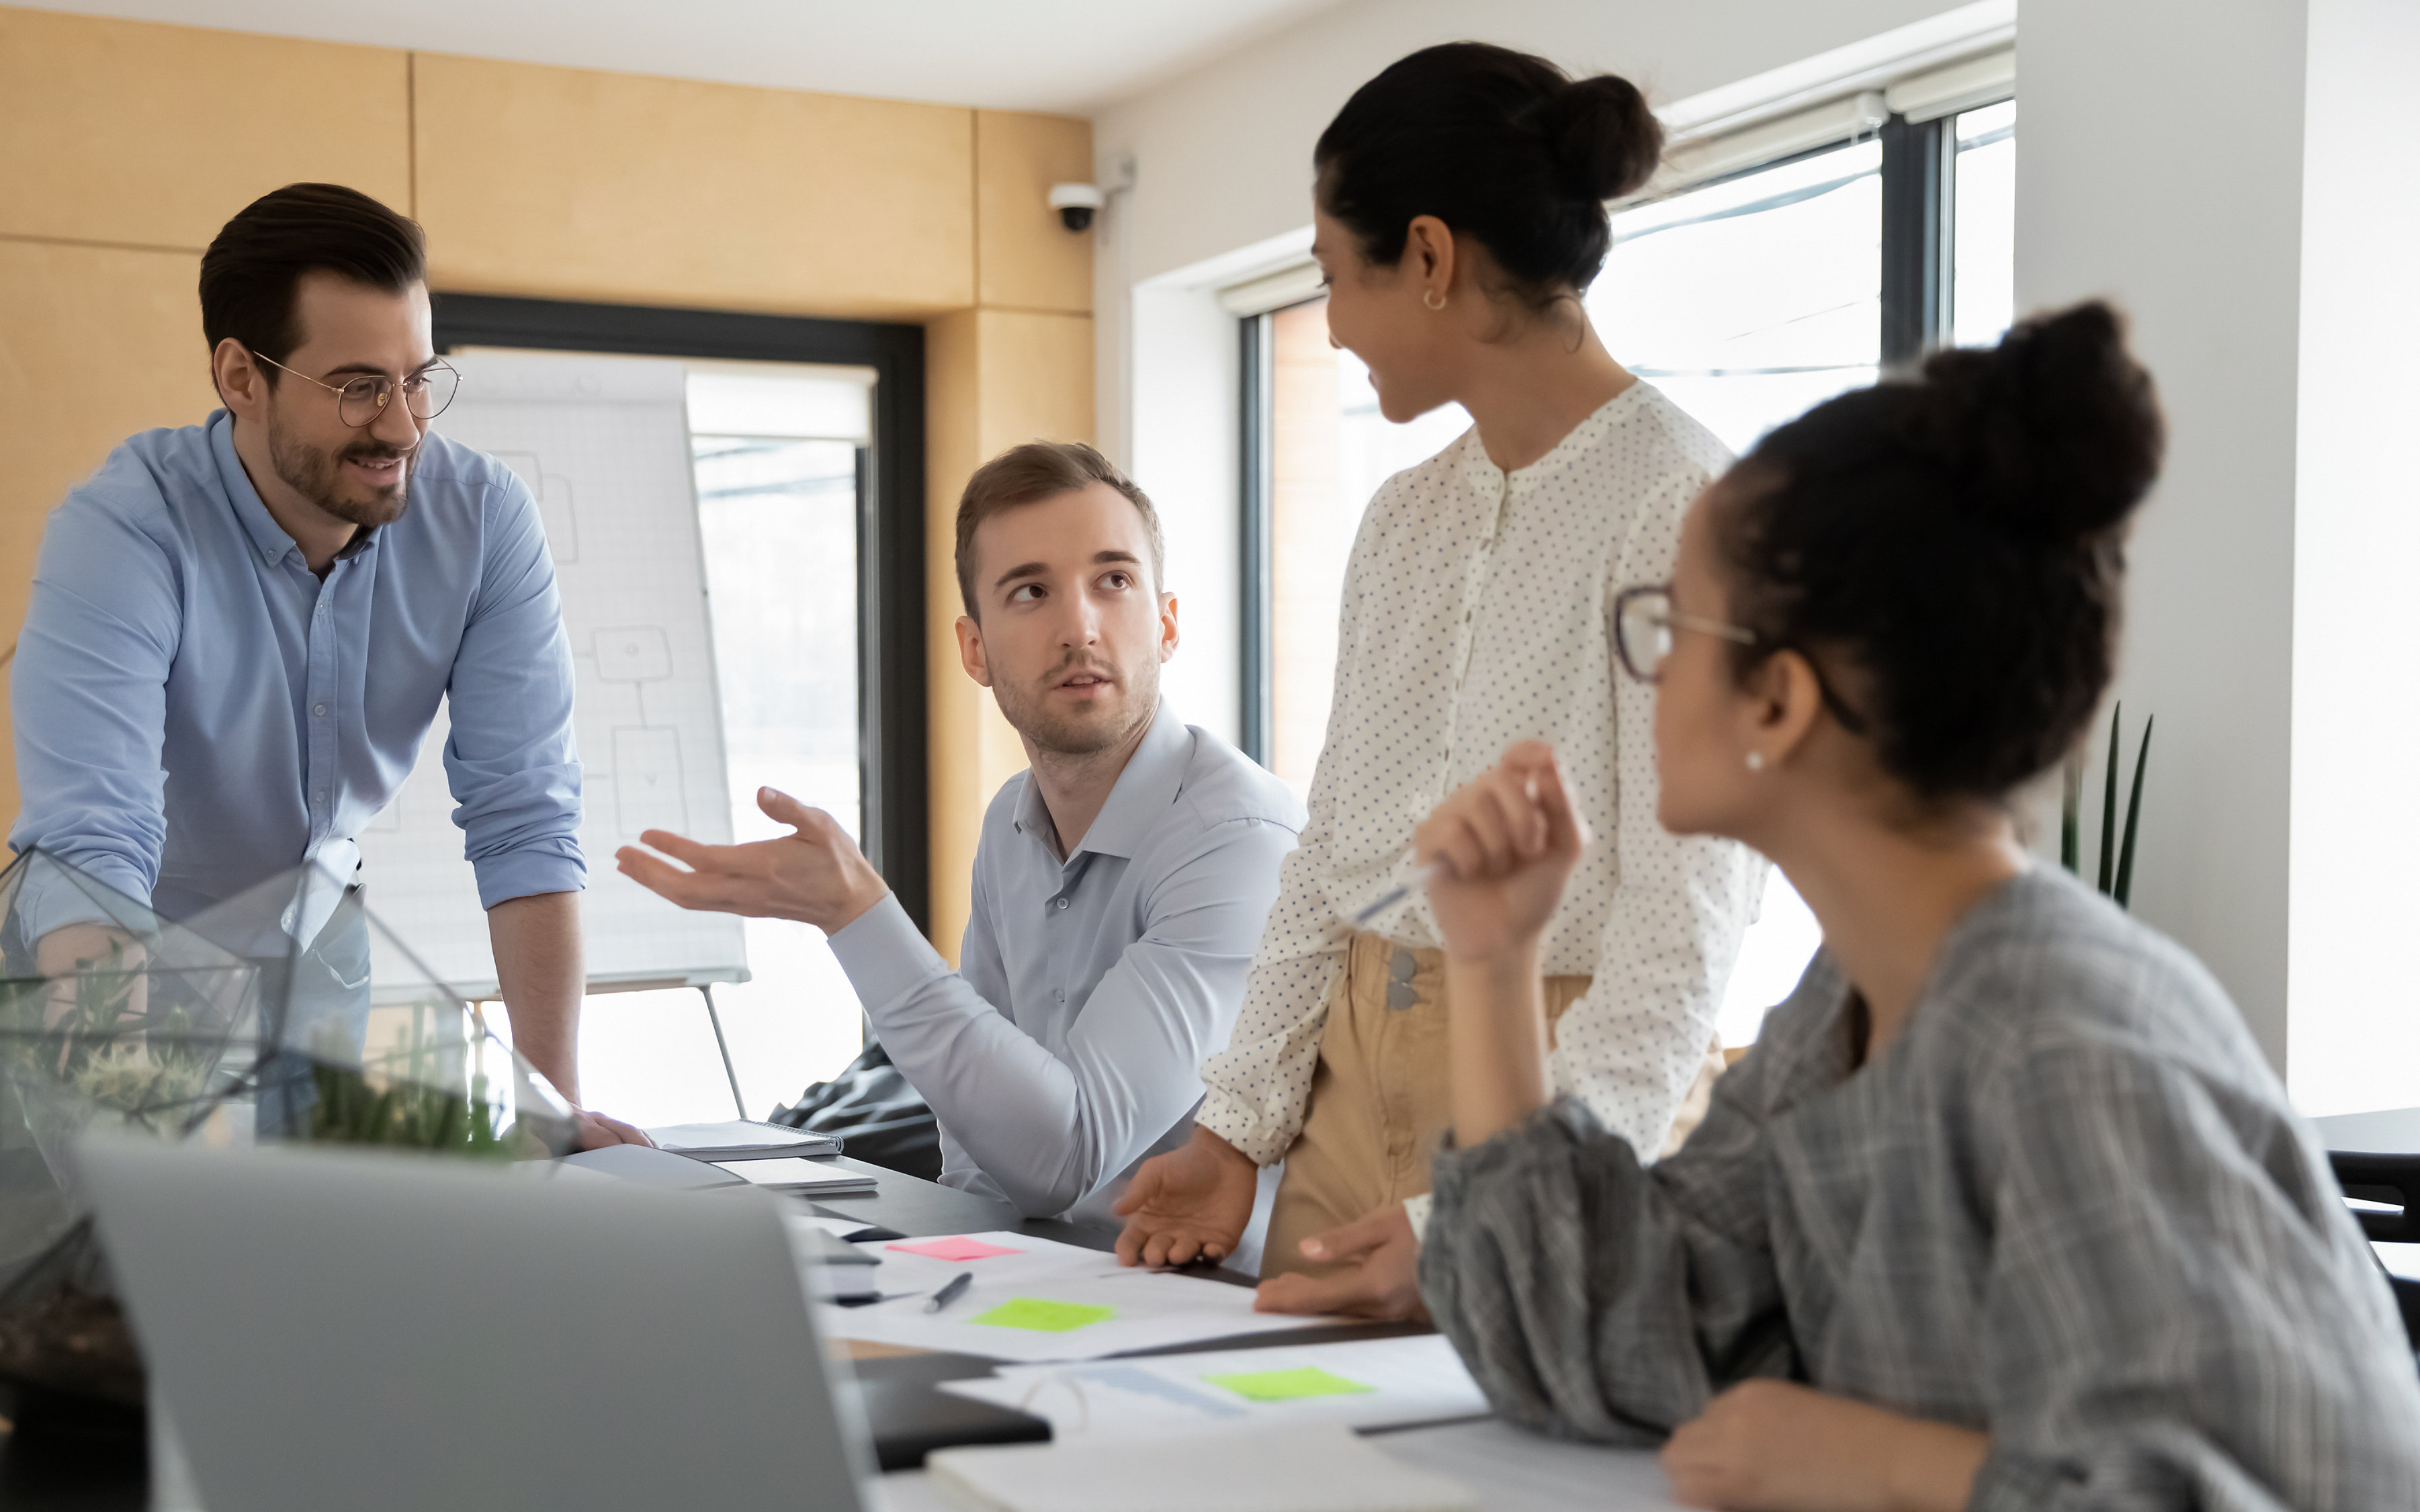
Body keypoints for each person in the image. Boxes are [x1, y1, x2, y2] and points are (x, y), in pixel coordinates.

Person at [1410, 303, 2420, 1509]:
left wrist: (1875, 1464)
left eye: (1673, 624)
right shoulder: (1846, 1010)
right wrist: (1494, 958)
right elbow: (1607, 1342)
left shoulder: (2065, 1042)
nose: (1655, 665)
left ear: (1777, 703)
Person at [1114, 43, 1760, 1315]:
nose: (1330, 320)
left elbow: (1689, 926)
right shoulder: (1401, 520)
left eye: (1328, 272)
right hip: (1348, 1080)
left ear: (1426, 256)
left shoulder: (1686, 507)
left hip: (1566, 1090)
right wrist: (1241, 1126)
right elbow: (1333, 853)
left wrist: (1497, 1208)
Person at [7, 182, 642, 1145]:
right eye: (357, 385)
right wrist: (121, 1095)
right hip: (120, 960)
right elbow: (97, 846)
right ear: (240, 377)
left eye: (417, 377)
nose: (402, 425)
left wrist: (551, 1114)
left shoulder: (481, 518)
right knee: (123, 1271)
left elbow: (525, 815)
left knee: (326, 1270)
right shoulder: (125, 528)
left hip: (319, 947)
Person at [619, 443, 1303, 1227]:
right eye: (1030, 592)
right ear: (974, 649)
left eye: (1113, 581)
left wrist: (858, 916)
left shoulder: (1238, 840)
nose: (1079, 626)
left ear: (1167, 622)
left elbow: (1069, 1154)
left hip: (1207, 1313)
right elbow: (979, 1150)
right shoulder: (1012, 822)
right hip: (1055, 1291)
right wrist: (956, 1268)